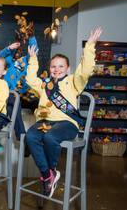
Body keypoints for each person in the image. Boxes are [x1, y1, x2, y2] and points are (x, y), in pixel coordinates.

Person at [24, 27, 102, 198]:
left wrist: (90, 46)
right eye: (53, 66)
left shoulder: (74, 82)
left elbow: (86, 70)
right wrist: (33, 59)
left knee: (50, 137)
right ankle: (47, 175)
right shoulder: (45, 85)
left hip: (67, 124)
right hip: (45, 122)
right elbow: (30, 79)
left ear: (68, 69)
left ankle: (51, 170)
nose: (56, 69)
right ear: (49, 68)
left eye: (61, 66)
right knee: (30, 137)